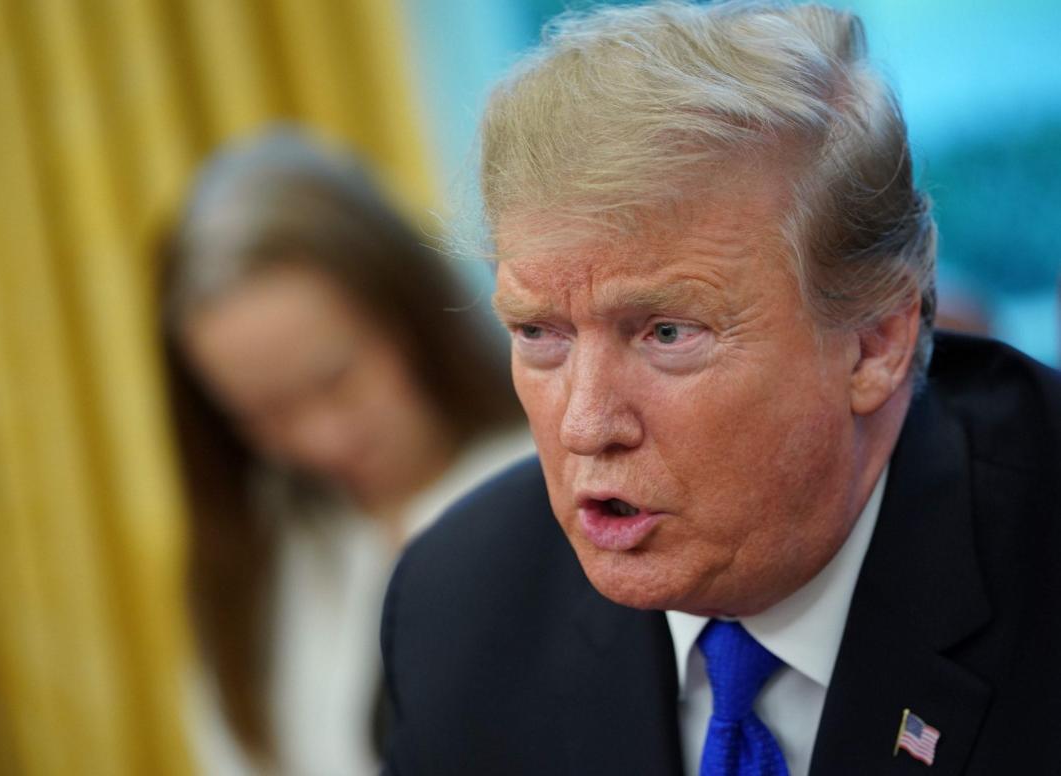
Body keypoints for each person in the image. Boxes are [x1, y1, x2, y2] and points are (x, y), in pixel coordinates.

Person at [380, 3, 1061, 775]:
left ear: (874, 344)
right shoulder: (459, 609)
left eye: (667, 333)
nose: (585, 424)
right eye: (541, 335)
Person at [157, 131, 529, 775]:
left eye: (337, 379)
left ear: (412, 315)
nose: (321, 440)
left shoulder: (550, 484)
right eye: (263, 414)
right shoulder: (258, 549)